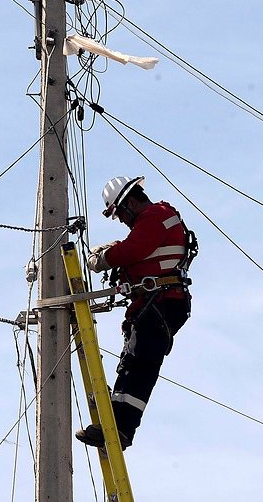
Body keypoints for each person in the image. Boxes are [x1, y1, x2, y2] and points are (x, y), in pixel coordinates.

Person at [76, 176, 195, 449]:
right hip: (156, 303)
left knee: (139, 366)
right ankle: (115, 422)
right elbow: (139, 248)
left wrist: (105, 258)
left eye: (120, 214)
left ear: (130, 202)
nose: (121, 221)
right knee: (133, 363)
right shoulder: (156, 219)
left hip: (161, 302)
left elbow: (135, 248)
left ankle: (120, 429)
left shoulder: (156, 215)